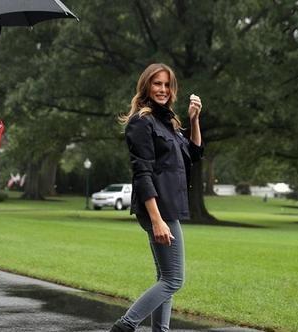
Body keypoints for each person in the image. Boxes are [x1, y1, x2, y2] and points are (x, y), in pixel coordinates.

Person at [109, 63, 203, 332]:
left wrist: (194, 120)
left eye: (166, 85)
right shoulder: (141, 121)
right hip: (157, 208)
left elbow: (194, 155)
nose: (162, 89)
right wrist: (157, 220)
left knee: (165, 277)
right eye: (157, 84)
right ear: (146, 87)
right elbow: (142, 172)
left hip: (168, 207)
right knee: (174, 279)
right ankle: (125, 326)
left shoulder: (168, 122)